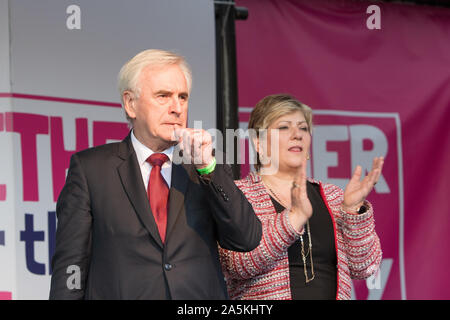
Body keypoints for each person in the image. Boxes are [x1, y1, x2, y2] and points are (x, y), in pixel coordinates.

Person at [49, 49, 262, 300]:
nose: (177, 108)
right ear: (130, 104)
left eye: (182, 97)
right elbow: (70, 268)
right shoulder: (91, 169)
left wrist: (208, 169)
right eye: (163, 96)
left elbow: (246, 239)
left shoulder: (205, 165)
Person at [219, 94, 383, 300]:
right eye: (284, 127)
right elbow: (238, 263)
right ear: (258, 142)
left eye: (303, 128)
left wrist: (353, 211)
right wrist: (293, 218)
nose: (297, 135)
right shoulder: (238, 195)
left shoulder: (333, 197)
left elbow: (366, 267)